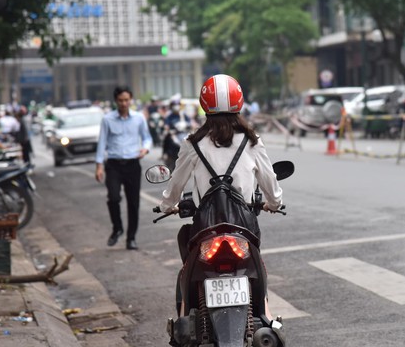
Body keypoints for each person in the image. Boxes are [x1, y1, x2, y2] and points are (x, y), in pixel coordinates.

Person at [158, 74, 283, 318]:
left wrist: (167, 205)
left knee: (189, 268)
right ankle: (265, 317)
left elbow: (176, 184)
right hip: (243, 226)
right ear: (239, 103)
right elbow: (270, 182)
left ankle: (185, 317)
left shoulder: (193, 143)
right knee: (256, 265)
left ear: (205, 105)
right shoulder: (252, 141)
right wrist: (274, 203)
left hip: (205, 227)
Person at [95, 85, 153, 249]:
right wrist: (98, 166)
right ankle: (117, 228)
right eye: (120, 100)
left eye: (126, 100)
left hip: (133, 164)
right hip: (113, 165)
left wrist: (145, 148)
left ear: (131, 100)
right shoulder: (107, 119)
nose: (124, 103)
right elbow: (102, 143)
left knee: (133, 203)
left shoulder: (139, 118)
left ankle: (131, 238)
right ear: (116, 101)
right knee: (113, 198)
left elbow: (147, 138)